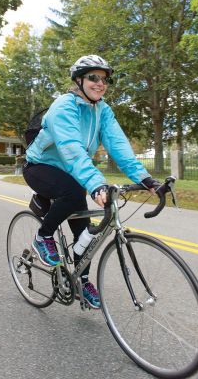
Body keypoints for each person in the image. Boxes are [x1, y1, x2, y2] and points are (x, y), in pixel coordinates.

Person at [23, 54, 158, 309]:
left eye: (104, 79)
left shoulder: (103, 111)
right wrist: (96, 183)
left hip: (73, 171)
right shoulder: (64, 106)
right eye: (93, 77)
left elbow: (119, 146)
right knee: (74, 192)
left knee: (85, 233)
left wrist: (146, 179)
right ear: (79, 80)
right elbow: (71, 148)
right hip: (40, 166)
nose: (100, 83)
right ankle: (43, 236)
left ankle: (82, 282)